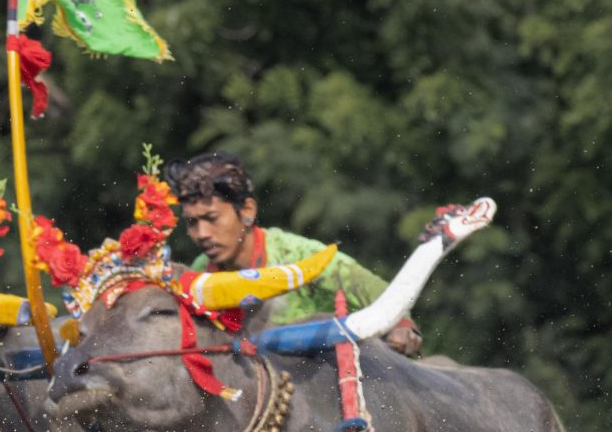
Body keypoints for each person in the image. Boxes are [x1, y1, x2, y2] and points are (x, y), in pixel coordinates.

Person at [164, 152, 422, 354]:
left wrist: (401, 326)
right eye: (192, 222)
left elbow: (372, 288)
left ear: (247, 211)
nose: (202, 233)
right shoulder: (198, 274)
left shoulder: (297, 254)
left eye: (211, 218)